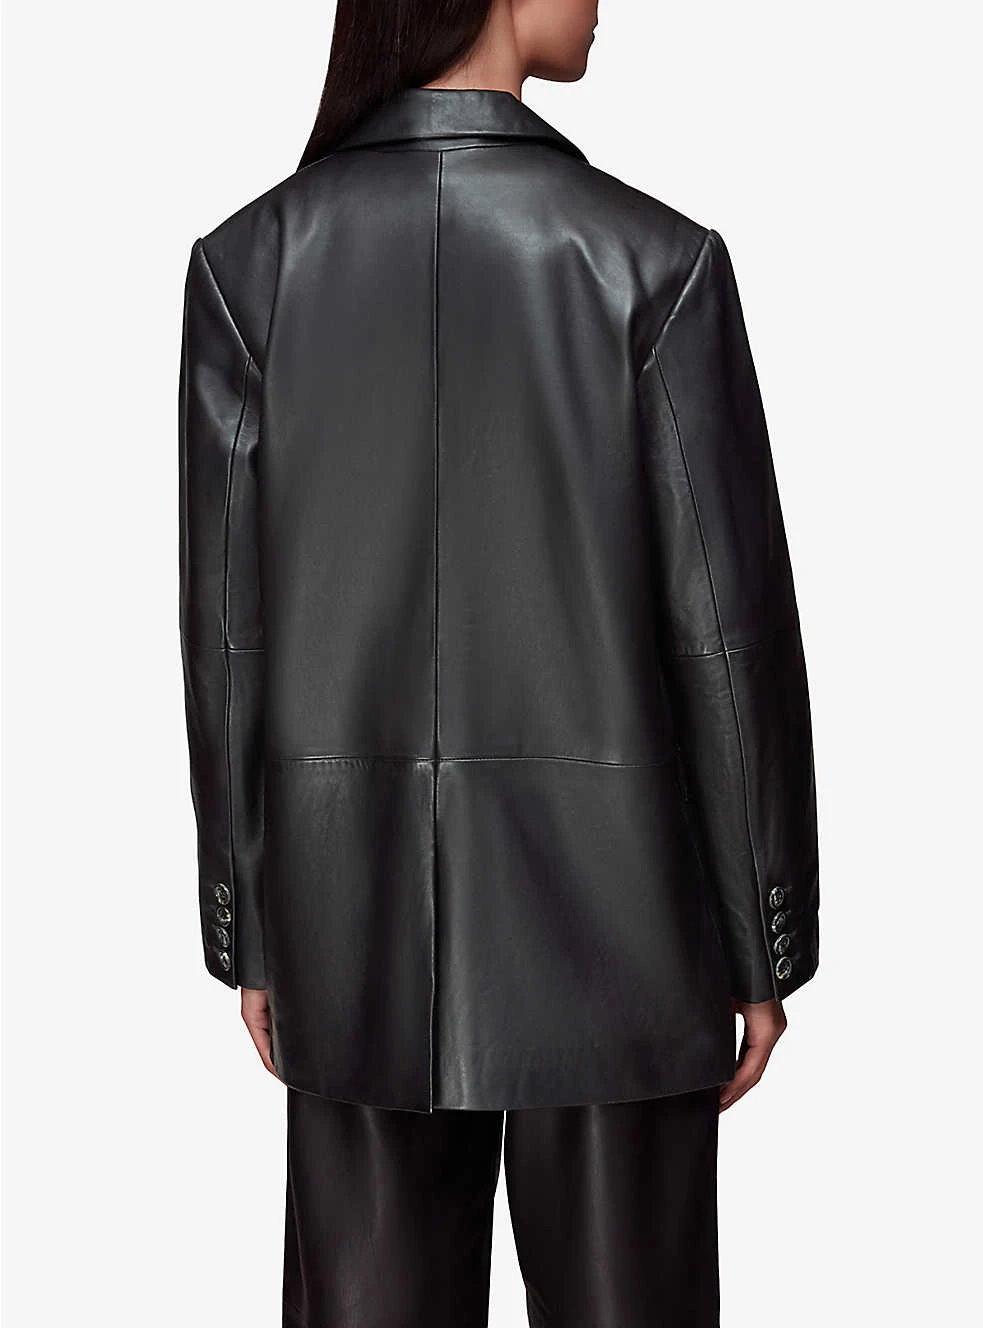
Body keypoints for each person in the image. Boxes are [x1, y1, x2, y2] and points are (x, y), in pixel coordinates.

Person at [177, 0, 820, 1322]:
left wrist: (249, 925)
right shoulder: (656, 263)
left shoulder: (253, 269)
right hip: (629, 937)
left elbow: (228, 635)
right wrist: (765, 939)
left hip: (350, 924)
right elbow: (726, 634)